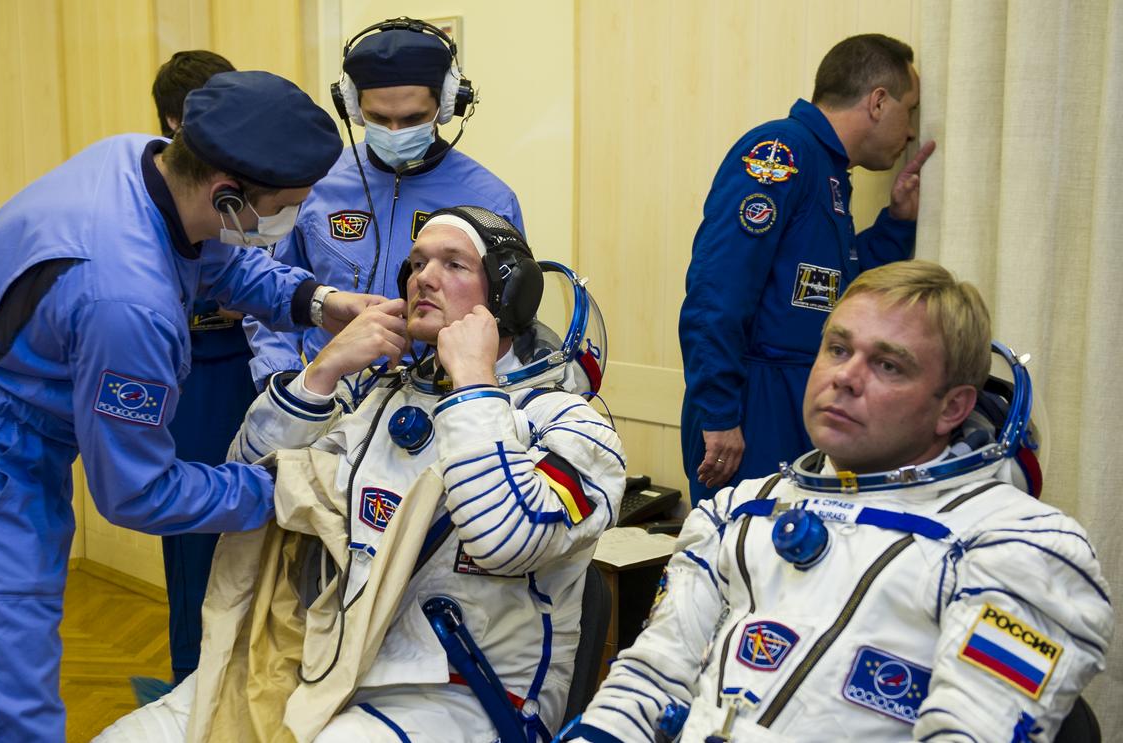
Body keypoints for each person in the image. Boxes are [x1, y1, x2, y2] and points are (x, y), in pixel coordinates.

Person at [0, 70, 383, 742]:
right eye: (288, 206)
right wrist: (276, 487)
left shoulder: (141, 161)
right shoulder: (129, 304)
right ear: (228, 194)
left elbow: (211, 257)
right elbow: (137, 491)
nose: (291, 220)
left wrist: (317, 301)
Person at [95, 206, 624, 742]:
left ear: (510, 297)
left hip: (464, 691)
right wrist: (322, 372)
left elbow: (505, 539)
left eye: (453, 264)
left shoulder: (569, 424)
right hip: (321, 655)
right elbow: (245, 476)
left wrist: (473, 383)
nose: (424, 278)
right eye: (416, 264)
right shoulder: (373, 392)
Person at [564, 260, 1113, 741]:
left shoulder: (1019, 545)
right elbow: (650, 681)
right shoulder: (740, 511)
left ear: (952, 408)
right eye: (838, 348)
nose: (845, 378)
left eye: (888, 364)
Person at [680, 33, 937, 501]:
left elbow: (834, 287)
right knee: (747, 559)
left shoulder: (827, 169)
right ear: (879, 102)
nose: (911, 132)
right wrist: (719, 412)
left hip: (799, 397)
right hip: (753, 402)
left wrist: (897, 222)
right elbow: (716, 289)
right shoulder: (780, 152)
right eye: (910, 110)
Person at [244, 17, 524, 396]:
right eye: (378, 118)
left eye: (412, 119)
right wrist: (282, 379)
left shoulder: (490, 201)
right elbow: (268, 289)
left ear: (445, 105)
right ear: (353, 108)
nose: (394, 132)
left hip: (435, 400)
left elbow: (506, 317)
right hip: (327, 397)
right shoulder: (314, 186)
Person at [147, 48, 252, 693]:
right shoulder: (154, 190)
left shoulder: (254, 173)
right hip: (188, 376)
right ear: (171, 122)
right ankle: (190, 686)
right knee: (193, 543)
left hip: (252, 368)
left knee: (256, 550)